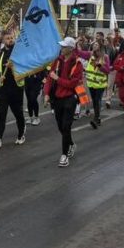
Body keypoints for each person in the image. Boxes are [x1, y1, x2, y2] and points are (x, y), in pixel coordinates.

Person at [45, 37, 84, 167]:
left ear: (71, 48)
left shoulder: (77, 63)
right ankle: (71, 144)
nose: (61, 48)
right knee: (60, 126)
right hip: (57, 98)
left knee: (66, 126)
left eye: (64, 46)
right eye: (61, 46)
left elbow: (72, 84)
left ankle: (64, 155)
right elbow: (50, 78)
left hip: (70, 98)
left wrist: (58, 79)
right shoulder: (58, 60)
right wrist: (46, 93)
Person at [0, 30, 26, 148]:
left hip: (16, 87)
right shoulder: (0, 52)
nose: (10, 40)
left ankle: (21, 134)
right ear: (3, 40)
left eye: (11, 38)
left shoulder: (18, 52)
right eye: (7, 38)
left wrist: (13, 66)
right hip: (3, 88)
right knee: (1, 112)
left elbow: (26, 67)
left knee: (18, 112)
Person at [84, 39, 110, 128]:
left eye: (96, 45)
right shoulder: (90, 55)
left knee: (97, 100)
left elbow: (107, 70)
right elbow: (79, 53)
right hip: (91, 83)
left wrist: (100, 66)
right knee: (94, 101)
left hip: (100, 84)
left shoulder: (105, 57)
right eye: (94, 45)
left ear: (100, 47)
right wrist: (76, 44)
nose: (94, 46)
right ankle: (97, 118)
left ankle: (96, 118)